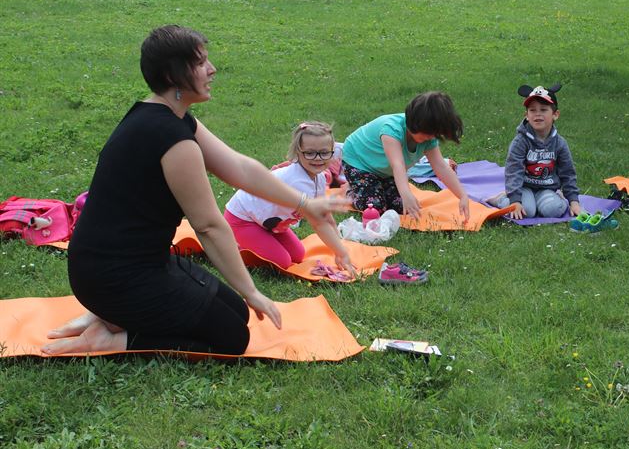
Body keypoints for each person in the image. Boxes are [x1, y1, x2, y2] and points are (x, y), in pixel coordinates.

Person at [42, 26, 349, 356]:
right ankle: (112, 334)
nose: (212, 69)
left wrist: (304, 203)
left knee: (236, 311)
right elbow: (208, 226)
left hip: (135, 262)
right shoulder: (172, 139)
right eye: (201, 63)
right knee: (232, 337)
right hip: (113, 275)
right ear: (172, 75)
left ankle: (112, 315)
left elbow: (240, 168)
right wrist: (252, 290)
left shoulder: (168, 117)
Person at [224, 121, 354, 272]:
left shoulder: (320, 177)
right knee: (283, 262)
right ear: (298, 152)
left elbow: (325, 216)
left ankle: (259, 239)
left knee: (298, 256)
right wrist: (341, 253)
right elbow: (318, 223)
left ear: (333, 152)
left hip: (270, 224)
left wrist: (339, 244)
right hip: (242, 219)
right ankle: (230, 249)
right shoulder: (298, 181)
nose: (318, 158)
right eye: (310, 153)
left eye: (324, 153)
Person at [342, 91, 469, 222]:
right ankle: (350, 191)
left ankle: (374, 185)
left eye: (435, 134)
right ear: (415, 123)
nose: (431, 137)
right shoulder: (392, 130)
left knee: (401, 206)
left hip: (384, 171)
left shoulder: (429, 138)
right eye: (428, 133)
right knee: (375, 207)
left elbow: (441, 166)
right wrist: (406, 193)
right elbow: (398, 165)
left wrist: (462, 195)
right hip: (359, 163)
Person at [490, 84, 582, 220]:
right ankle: (501, 199)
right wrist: (515, 200)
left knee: (554, 210)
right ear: (527, 115)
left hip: (547, 188)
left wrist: (574, 201)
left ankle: (557, 197)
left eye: (543, 109)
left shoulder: (559, 143)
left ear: (555, 115)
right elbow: (513, 171)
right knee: (527, 211)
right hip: (524, 187)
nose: (538, 114)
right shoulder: (520, 142)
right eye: (532, 110)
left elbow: (568, 173)